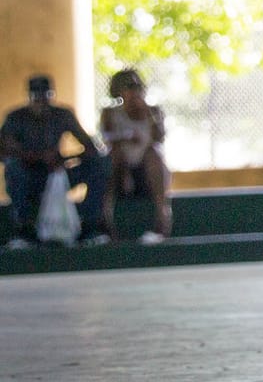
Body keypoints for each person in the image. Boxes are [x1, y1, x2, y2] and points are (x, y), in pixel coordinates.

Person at [1, 76, 109, 249]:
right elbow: (4, 152)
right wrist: (36, 157)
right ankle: (23, 229)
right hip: (29, 174)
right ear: (29, 97)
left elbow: (90, 147)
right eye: (36, 97)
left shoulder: (62, 115)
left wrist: (63, 159)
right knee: (14, 169)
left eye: (44, 96)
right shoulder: (15, 117)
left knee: (98, 165)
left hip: (58, 172)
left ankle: (89, 226)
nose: (40, 102)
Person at [99, 69, 171, 243]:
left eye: (137, 86)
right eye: (129, 87)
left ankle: (163, 219)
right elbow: (106, 139)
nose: (134, 91)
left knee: (152, 154)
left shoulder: (153, 111)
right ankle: (105, 221)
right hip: (121, 169)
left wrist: (147, 113)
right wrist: (126, 137)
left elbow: (159, 137)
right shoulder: (110, 113)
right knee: (114, 156)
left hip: (147, 172)